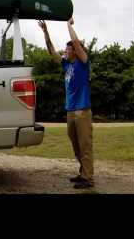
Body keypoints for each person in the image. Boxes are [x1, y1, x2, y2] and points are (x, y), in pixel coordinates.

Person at [38, 17, 94, 189]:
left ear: (75, 52)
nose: (65, 51)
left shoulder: (83, 63)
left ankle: (88, 178)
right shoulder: (66, 66)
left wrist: (68, 25)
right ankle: (82, 173)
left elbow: (76, 43)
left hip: (82, 111)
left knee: (85, 146)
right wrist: (45, 31)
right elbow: (51, 51)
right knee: (76, 146)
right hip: (70, 111)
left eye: (67, 49)